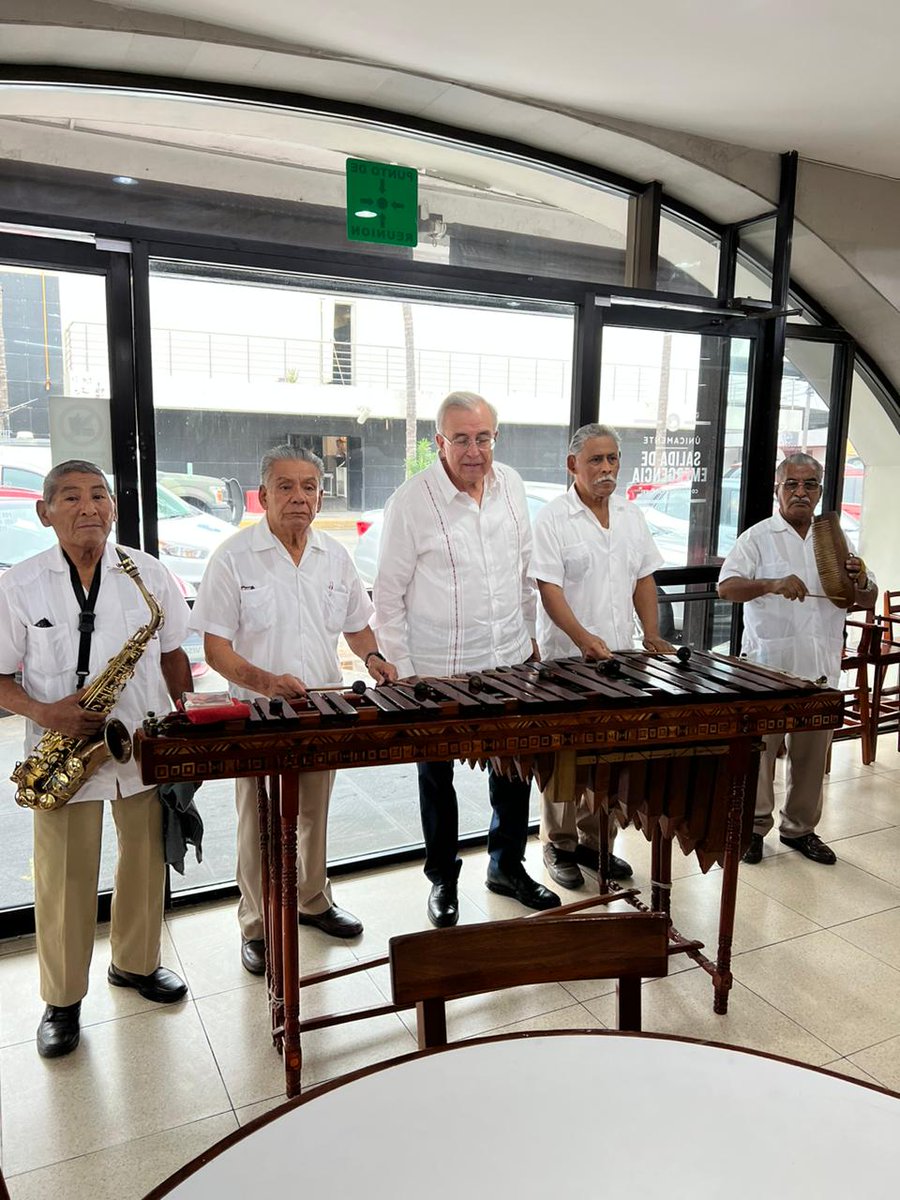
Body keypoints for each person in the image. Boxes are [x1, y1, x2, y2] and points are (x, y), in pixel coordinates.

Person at [0, 460, 192, 1059]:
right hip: (63, 755)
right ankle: (61, 1001)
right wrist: (45, 713)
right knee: (63, 879)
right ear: (45, 512)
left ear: (113, 507)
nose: (89, 508)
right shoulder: (18, 585)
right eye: (72, 497)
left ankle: (135, 965)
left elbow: (173, 652)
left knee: (146, 861)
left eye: (99, 496)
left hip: (138, 747)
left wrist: (185, 715)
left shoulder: (147, 573)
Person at [192, 445, 397, 975]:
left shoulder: (335, 555)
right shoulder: (233, 557)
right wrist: (264, 681)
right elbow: (216, 648)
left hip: (323, 707)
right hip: (257, 714)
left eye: (309, 487)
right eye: (286, 487)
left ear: (321, 495)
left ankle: (312, 900)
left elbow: (356, 622)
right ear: (263, 496)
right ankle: (256, 924)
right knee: (259, 821)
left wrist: (373, 655)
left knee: (313, 812)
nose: (299, 497)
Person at [373, 391, 561, 928]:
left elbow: (525, 568)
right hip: (437, 673)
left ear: (494, 438)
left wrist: (530, 640)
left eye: (483, 438)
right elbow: (387, 597)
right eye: (461, 439)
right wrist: (407, 677)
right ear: (440, 442)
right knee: (438, 780)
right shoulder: (411, 502)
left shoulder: (514, 487)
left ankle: (506, 866)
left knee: (513, 771)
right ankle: (443, 880)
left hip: (507, 662)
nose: (474, 450)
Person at [718, 452, 877, 865]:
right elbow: (726, 588)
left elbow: (865, 598)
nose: (801, 493)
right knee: (761, 753)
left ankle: (800, 829)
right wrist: (771, 583)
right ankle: (753, 830)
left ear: (820, 491)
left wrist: (859, 579)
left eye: (810, 485)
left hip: (821, 667)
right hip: (767, 666)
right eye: (792, 484)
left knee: (810, 758)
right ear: (778, 490)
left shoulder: (836, 541)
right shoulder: (757, 537)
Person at [532, 423, 672, 889]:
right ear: (573, 465)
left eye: (612, 458)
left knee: (609, 756)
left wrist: (651, 633)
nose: (607, 468)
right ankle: (559, 843)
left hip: (623, 658)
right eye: (596, 460)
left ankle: (597, 843)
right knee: (566, 759)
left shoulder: (632, 515)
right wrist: (581, 637)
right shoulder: (553, 518)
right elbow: (548, 589)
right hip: (567, 661)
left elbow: (644, 579)